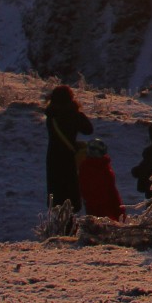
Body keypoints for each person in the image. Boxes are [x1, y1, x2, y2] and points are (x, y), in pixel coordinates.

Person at [44, 84, 92, 223]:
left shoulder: (51, 115)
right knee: (70, 192)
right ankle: (69, 226)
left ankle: (58, 225)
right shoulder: (73, 115)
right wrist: (78, 111)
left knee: (56, 192)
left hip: (53, 157)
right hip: (68, 157)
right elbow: (88, 129)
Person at [77, 138, 126, 220]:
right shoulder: (105, 167)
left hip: (91, 208)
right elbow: (112, 191)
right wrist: (120, 211)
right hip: (106, 208)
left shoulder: (84, 167)